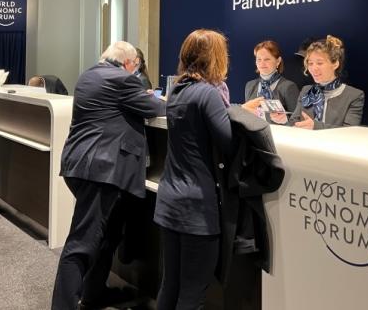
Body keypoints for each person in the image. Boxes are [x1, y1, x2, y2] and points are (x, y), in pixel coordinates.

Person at [52, 41, 165, 310]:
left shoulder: (88, 75)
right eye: (135, 65)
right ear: (128, 63)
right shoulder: (123, 80)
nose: (135, 70)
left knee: (108, 234)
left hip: (81, 164)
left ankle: (94, 293)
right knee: (82, 242)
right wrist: (156, 98)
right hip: (101, 170)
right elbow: (156, 109)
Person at [154, 29, 233, 310]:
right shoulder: (208, 94)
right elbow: (228, 142)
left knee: (170, 284)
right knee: (192, 293)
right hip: (196, 207)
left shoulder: (177, 90)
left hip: (170, 199)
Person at [288, 35, 364, 129]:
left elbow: (349, 131)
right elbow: (293, 121)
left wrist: (316, 126)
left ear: (335, 64)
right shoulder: (306, 90)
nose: (313, 68)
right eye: (310, 63)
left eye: (319, 63)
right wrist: (284, 119)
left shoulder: (354, 96)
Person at [243, 40, 299, 124]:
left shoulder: (289, 87)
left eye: (267, 59)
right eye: (259, 59)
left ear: (278, 61)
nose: (262, 63)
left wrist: (286, 120)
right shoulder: (250, 85)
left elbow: (298, 120)